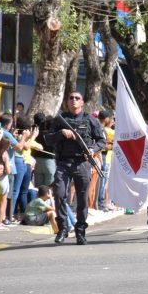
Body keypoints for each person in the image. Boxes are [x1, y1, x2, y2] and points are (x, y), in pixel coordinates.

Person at [46, 91, 106, 245]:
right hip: (63, 163)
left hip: (82, 163)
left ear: (82, 102)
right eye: (71, 98)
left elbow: (101, 141)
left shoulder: (90, 120)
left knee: (82, 199)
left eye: (77, 98)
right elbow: (48, 139)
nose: (73, 100)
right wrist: (60, 133)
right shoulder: (60, 120)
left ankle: (80, 231)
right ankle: (63, 229)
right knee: (59, 194)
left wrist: (92, 150)